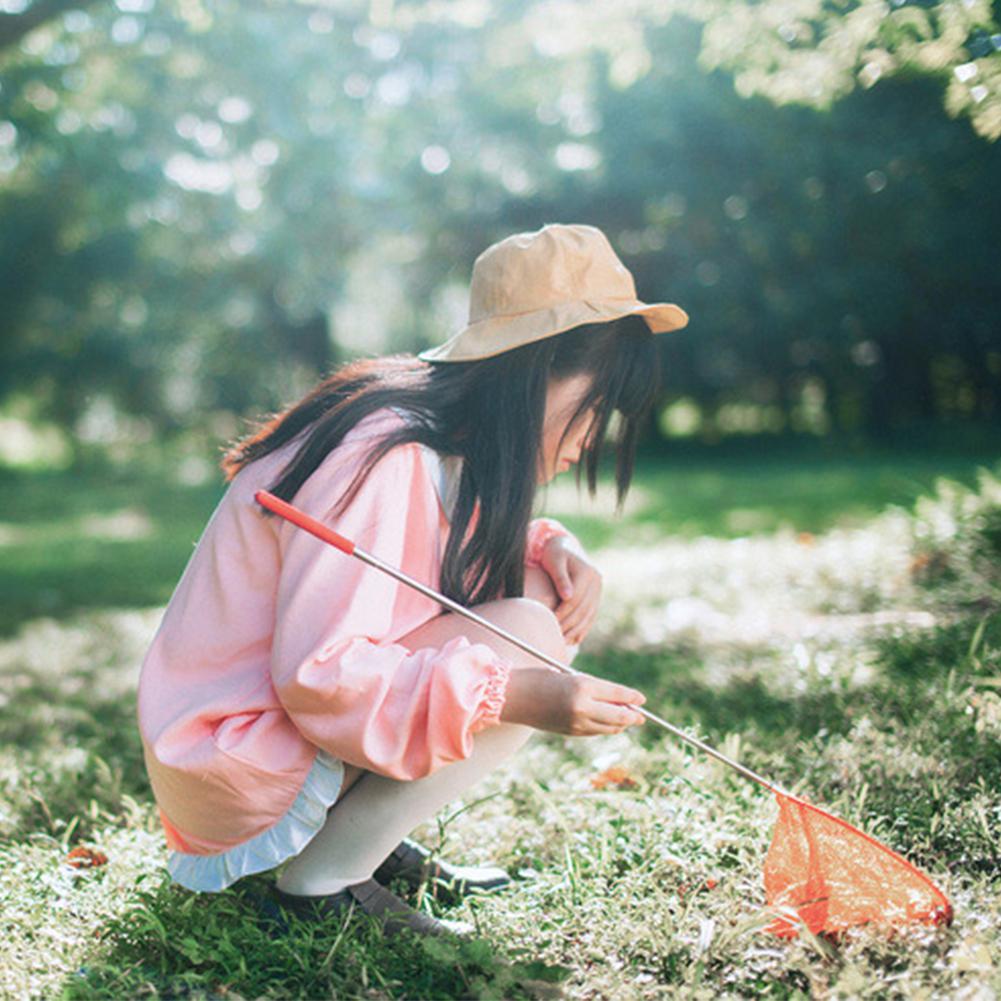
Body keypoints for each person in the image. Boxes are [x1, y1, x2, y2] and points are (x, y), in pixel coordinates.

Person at [136, 222, 689, 937]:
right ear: (541, 368)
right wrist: (519, 695)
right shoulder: (383, 451)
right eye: (593, 409)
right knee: (525, 633)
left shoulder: (434, 435)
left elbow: (417, 557)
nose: (592, 438)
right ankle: (320, 880)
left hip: (266, 729)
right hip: (236, 753)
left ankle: (356, 834)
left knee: (537, 597)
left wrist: (552, 543)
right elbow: (321, 674)